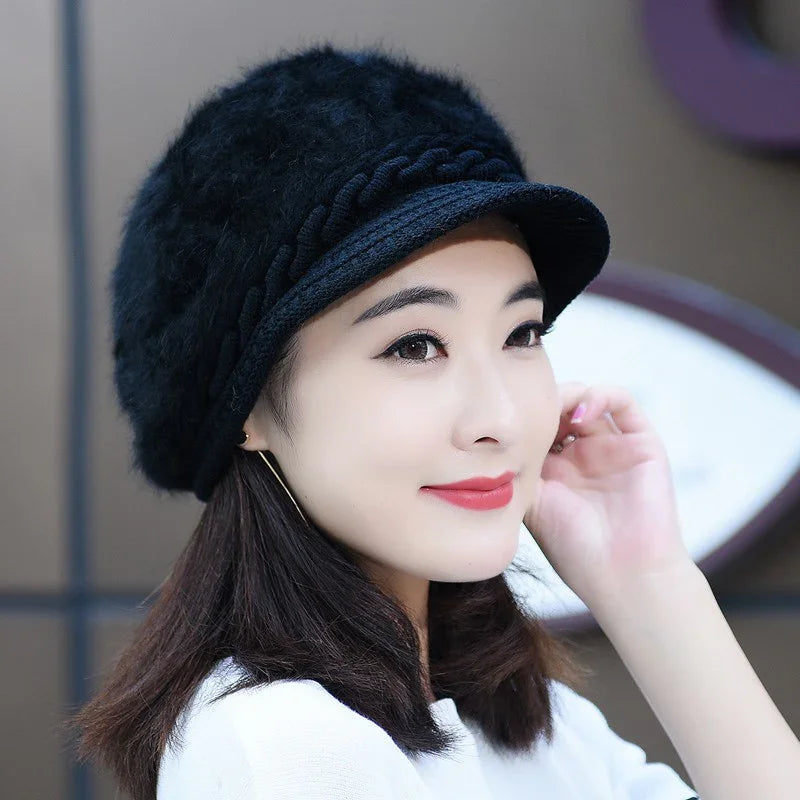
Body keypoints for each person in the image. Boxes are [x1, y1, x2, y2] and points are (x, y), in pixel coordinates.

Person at [65, 42, 800, 800]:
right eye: (415, 346)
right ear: (249, 409)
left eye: (522, 334)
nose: (500, 417)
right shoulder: (286, 746)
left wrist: (646, 581)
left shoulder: (531, 727)